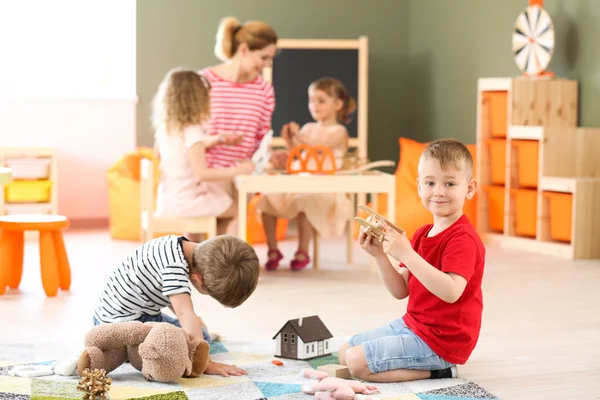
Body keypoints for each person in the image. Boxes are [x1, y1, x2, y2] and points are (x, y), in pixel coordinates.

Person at [338, 139, 485, 383]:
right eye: (430, 183)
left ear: (469, 188)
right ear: (419, 186)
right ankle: (427, 366)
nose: (438, 191)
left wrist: (407, 254)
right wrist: (380, 255)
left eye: (449, 183)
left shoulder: (464, 239)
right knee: (345, 352)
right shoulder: (421, 234)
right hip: (413, 326)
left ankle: (439, 371)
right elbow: (400, 290)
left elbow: (451, 292)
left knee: (356, 363)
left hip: (443, 341)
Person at [92, 234, 260, 377]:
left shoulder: (176, 246)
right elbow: (184, 311)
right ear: (198, 279)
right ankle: (118, 354)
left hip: (110, 315)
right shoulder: (175, 267)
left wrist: (194, 322)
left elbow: (171, 294)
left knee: (196, 333)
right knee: (190, 345)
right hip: (127, 325)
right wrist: (205, 363)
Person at [256, 77, 356, 270]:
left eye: (321, 100)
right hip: (302, 182)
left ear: (337, 104)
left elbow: (320, 149)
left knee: (306, 200)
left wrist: (300, 138)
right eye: (311, 100)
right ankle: (273, 249)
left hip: (325, 189)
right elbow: (299, 153)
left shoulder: (339, 131)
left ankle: (303, 250)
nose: (314, 105)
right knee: (267, 200)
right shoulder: (308, 129)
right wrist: (290, 140)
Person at [151, 67, 255, 237]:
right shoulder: (193, 131)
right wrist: (238, 170)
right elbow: (203, 174)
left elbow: (173, 152)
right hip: (189, 202)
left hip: (169, 200)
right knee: (238, 210)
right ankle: (224, 260)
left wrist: (217, 139)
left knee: (216, 201)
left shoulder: (167, 130)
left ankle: (197, 257)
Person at [198, 16, 278, 170]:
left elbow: (261, 141)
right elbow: (187, 136)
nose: (267, 65)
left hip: (243, 178)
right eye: (264, 57)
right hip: (205, 175)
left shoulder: (264, 90)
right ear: (244, 49)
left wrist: (271, 156)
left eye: (270, 59)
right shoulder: (204, 81)